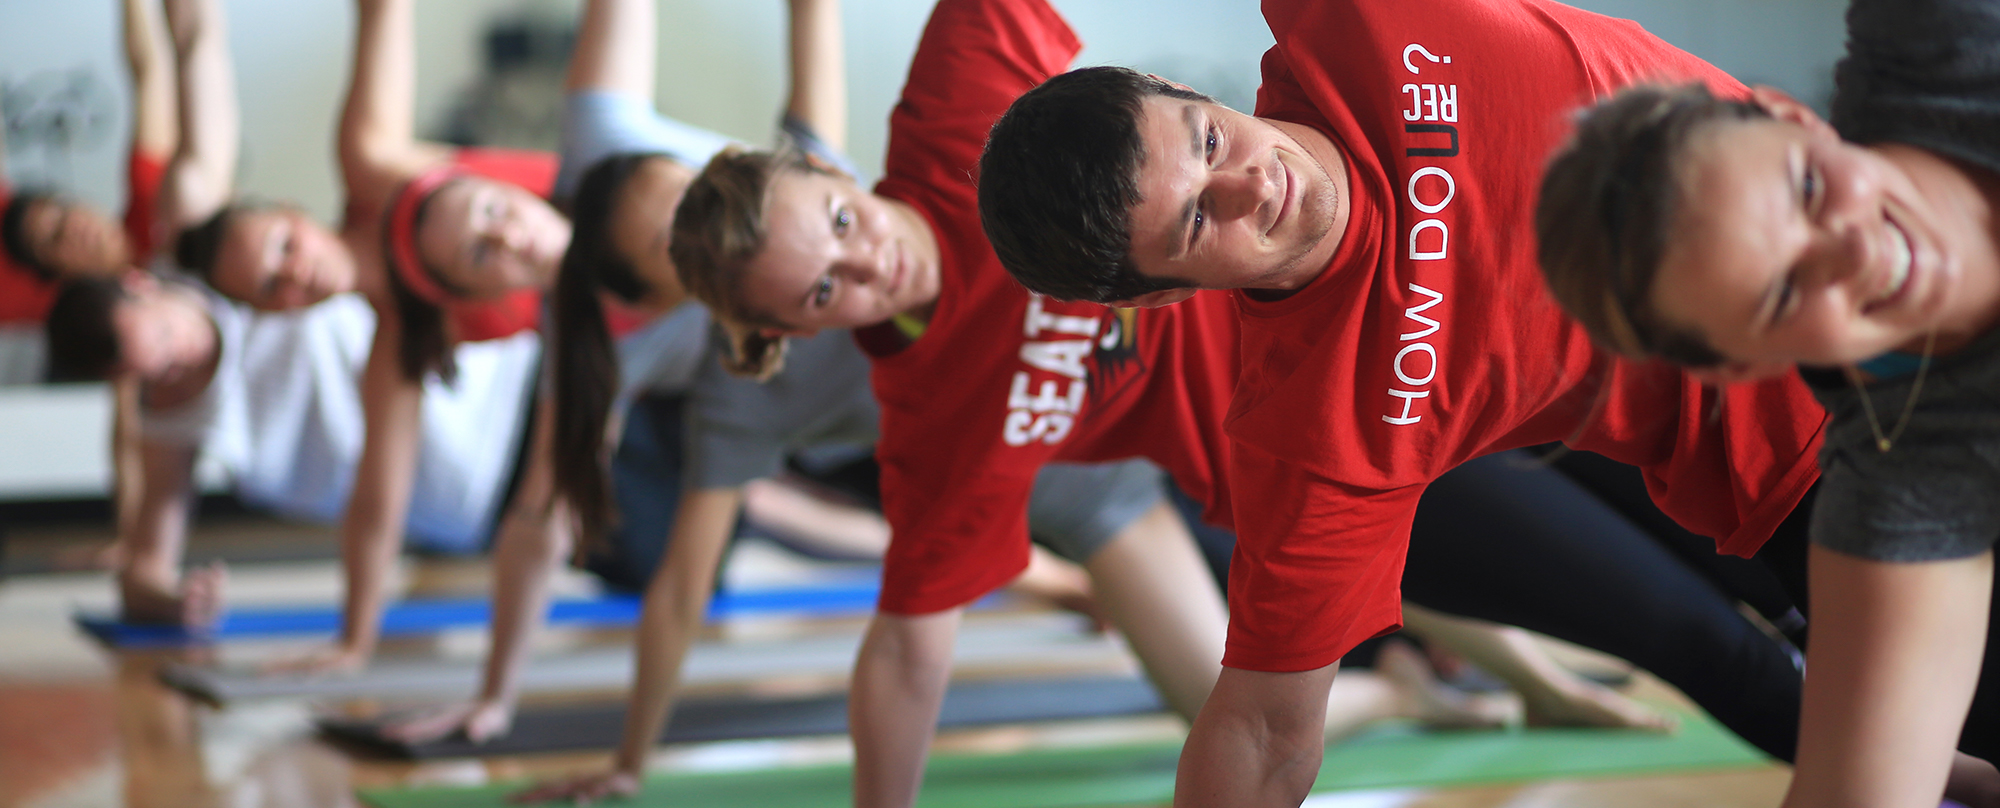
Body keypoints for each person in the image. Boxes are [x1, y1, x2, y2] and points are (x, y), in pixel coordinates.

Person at [670, 0, 1840, 805]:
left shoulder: (965, 99)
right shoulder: (942, 420)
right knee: (1685, 623)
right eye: (824, 288)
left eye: (834, 224)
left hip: (1683, 329)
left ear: (828, 169)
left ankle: (1537, 681)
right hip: (1353, 453)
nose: (865, 264)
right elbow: (914, 649)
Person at [962, 0, 2000, 803]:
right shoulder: (1312, 434)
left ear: (1180, 86)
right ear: (1175, 295)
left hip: (1934, 260)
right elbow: (1262, 731)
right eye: (1195, 223)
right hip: (1819, 480)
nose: (1246, 183)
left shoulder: (1353, 22)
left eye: (1200, 140)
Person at [1534, 0, 2000, 803]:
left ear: (1793, 119)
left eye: (1811, 189)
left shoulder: (1941, 42)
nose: (1854, 247)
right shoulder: (1904, 481)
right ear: (1749, 365)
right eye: (1785, 291)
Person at [169, 0, 574, 673]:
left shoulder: (373, 164)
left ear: (296, 213)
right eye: (273, 286)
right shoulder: (401, 340)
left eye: (281, 244)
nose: (295, 271)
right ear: (279, 316)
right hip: (629, 336)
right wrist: (354, 641)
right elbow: (377, 505)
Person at [44, 272, 539, 626]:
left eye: (168, 334)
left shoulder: (226, 268)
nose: (183, 355)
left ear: (142, 283)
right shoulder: (169, 427)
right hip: (476, 505)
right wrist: (175, 600)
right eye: (162, 369)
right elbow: (142, 572)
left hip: (512, 383)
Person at [1, 0, 235, 326]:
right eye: (55, 238)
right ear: (61, 276)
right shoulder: (106, 326)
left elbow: (150, 73)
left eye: (65, 211)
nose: (73, 227)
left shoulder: (149, 205)